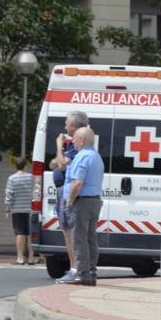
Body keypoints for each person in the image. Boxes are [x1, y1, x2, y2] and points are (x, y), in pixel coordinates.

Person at [59, 126, 104, 286]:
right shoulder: (96, 156)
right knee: (91, 239)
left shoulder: (83, 156)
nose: (73, 142)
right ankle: (91, 272)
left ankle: (82, 274)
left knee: (79, 239)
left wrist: (69, 201)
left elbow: (77, 183)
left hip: (81, 202)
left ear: (82, 140)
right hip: (94, 201)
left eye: (75, 139)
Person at [48, 112, 87, 267]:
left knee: (69, 231)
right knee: (66, 230)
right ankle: (74, 266)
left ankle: (74, 267)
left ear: (73, 126)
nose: (64, 126)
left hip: (68, 190)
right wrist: (59, 158)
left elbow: (61, 164)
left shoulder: (78, 145)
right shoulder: (70, 145)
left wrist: (58, 145)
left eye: (66, 123)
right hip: (62, 190)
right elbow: (53, 164)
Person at [3, 157, 37, 265]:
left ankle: (20, 258)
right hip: (30, 210)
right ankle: (31, 258)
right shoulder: (31, 177)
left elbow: (9, 195)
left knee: (19, 233)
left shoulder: (12, 179)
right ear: (25, 165)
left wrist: (7, 210)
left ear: (16, 166)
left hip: (17, 210)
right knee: (30, 234)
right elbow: (35, 191)